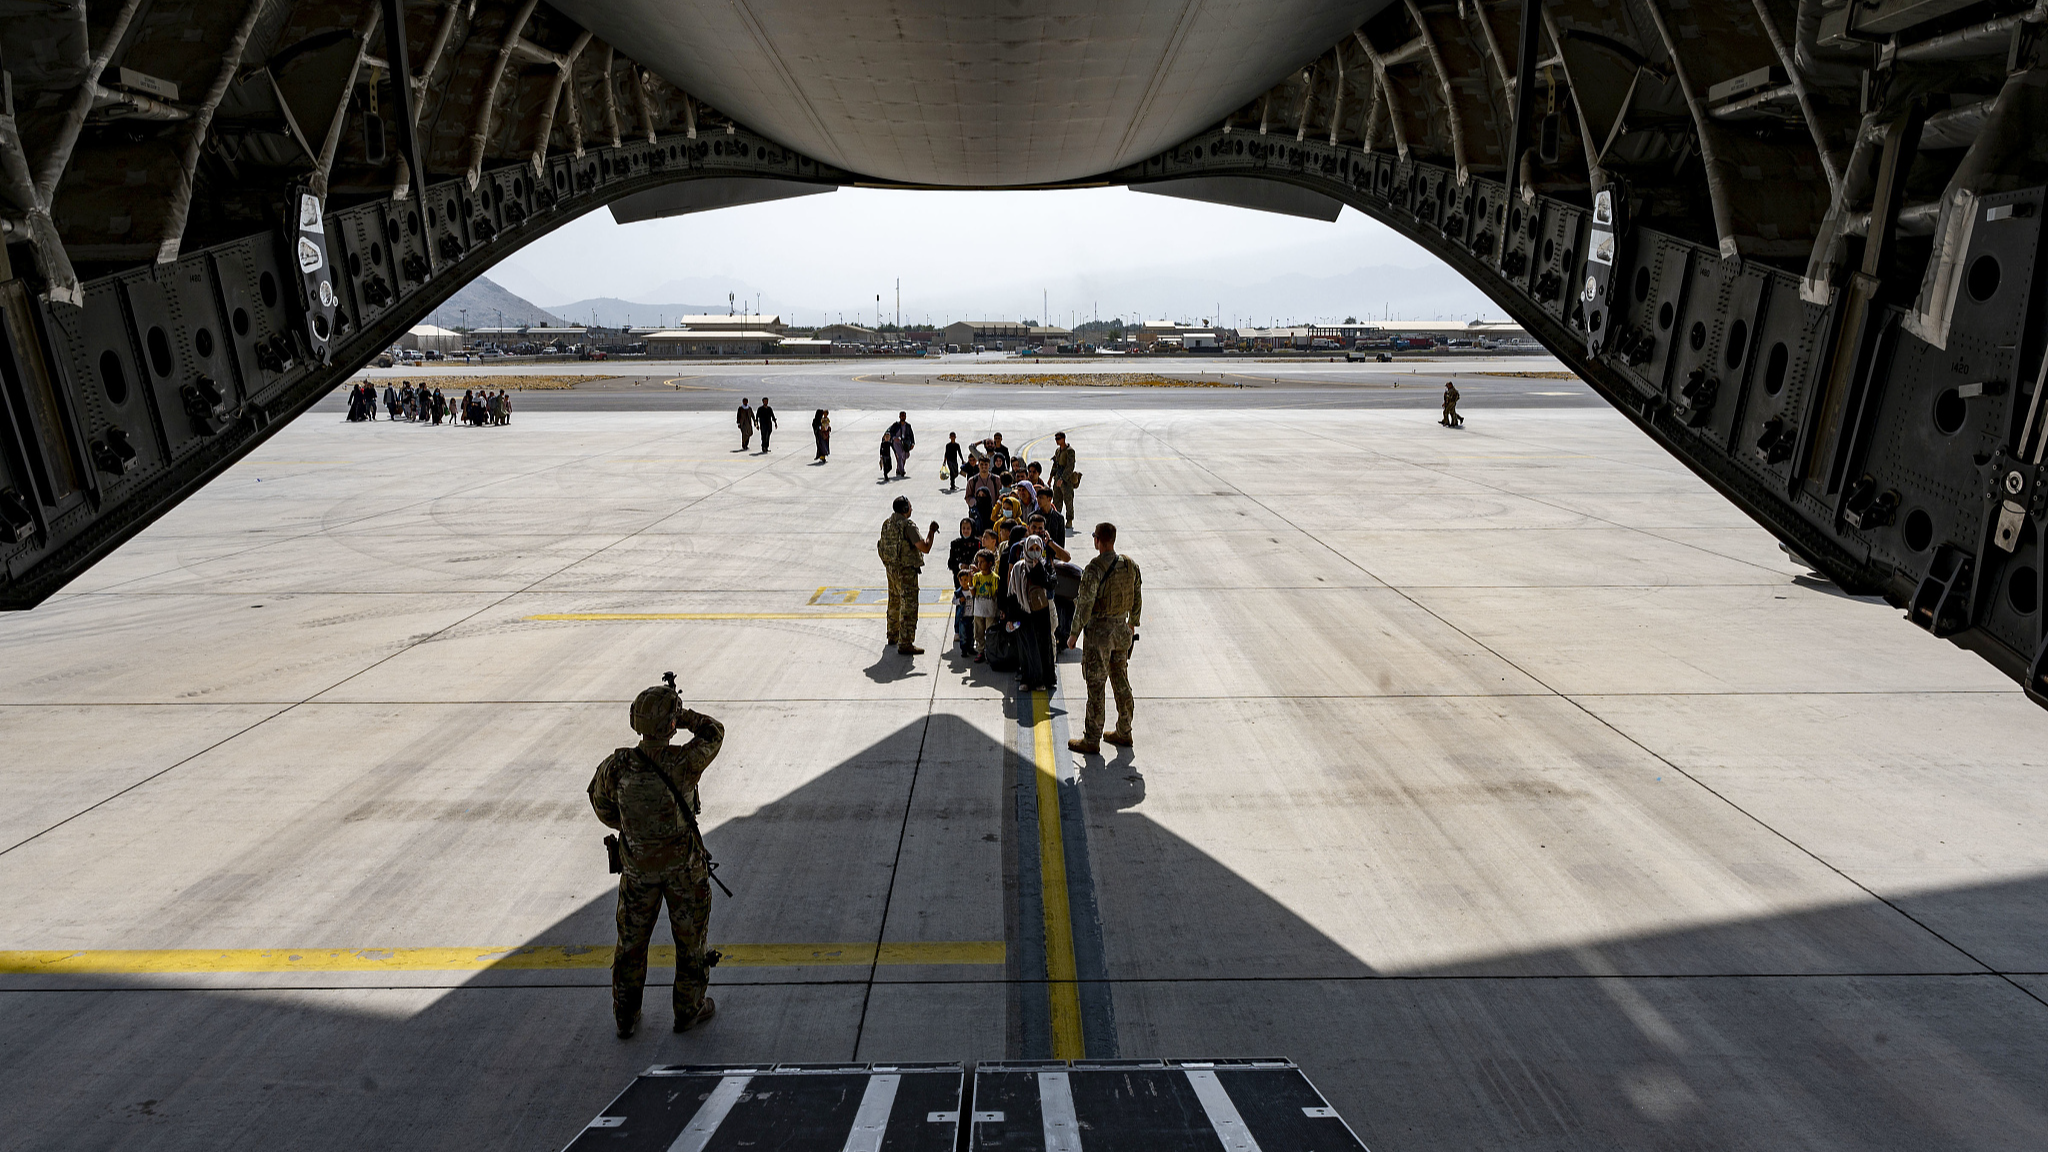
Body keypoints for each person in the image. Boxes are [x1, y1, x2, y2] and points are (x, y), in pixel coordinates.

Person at [587, 684, 726, 1038]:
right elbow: (714, 731)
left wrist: (631, 827)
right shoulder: (684, 762)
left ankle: (625, 1016)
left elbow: (599, 802)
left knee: (631, 944)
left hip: (638, 871)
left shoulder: (618, 765)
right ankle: (688, 1010)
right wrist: (685, 716)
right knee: (691, 942)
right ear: (670, 725)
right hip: (684, 871)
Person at [1068, 522, 1141, 754]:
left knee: (1096, 684)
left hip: (1100, 633)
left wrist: (1073, 634)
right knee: (1120, 679)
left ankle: (1092, 738)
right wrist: (1132, 623)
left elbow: (1085, 603)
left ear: (1097, 540)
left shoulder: (1095, 568)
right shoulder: (1130, 565)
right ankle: (1124, 730)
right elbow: (1137, 595)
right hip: (1121, 630)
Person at [877, 495, 939, 655]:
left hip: (891, 569)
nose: (911, 509)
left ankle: (893, 634)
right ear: (905, 510)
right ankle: (905, 642)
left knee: (894, 601)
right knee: (909, 606)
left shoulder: (887, 523)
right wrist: (931, 532)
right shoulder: (908, 526)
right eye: (910, 507)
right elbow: (924, 547)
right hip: (906, 571)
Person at [1006, 535, 1057, 691]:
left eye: (1037, 549)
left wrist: (1038, 569)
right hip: (1023, 613)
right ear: (1025, 550)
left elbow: (1050, 583)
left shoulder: (1045, 565)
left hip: (1041, 612)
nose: (1034, 552)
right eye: (1031, 549)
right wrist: (1010, 617)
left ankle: (1042, 680)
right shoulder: (1018, 568)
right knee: (1026, 647)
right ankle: (1027, 679)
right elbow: (1011, 592)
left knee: (1043, 646)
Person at [947, 518, 980, 655]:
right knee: (960, 604)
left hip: (973, 581)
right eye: (963, 528)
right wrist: (961, 566)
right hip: (960, 580)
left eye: (968, 528)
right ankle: (957, 631)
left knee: (973, 605)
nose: (965, 531)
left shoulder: (977, 543)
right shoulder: (955, 544)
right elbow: (950, 563)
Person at [968, 550, 999, 661]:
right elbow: (973, 593)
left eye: (982, 562)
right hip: (979, 610)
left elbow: (996, 594)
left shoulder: (995, 578)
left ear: (990, 563)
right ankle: (981, 651)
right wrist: (970, 582)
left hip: (990, 610)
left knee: (990, 632)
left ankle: (990, 652)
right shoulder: (977, 577)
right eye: (978, 562)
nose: (979, 564)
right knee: (979, 632)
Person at [1050, 432, 1077, 522]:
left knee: (1068, 500)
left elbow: (1070, 466)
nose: (1057, 441)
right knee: (1056, 499)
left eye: (1058, 439)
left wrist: (1062, 478)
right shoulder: (1058, 451)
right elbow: (1055, 465)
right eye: (1056, 439)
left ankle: (1069, 520)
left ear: (1063, 439)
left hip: (1066, 480)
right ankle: (1057, 519)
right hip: (1057, 477)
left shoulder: (1070, 451)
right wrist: (1051, 478)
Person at [887, 411, 915, 478]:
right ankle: (902, 471)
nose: (903, 417)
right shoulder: (896, 425)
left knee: (905, 456)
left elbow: (911, 435)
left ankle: (898, 469)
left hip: (905, 442)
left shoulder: (908, 426)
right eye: (901, 416)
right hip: (897, 442)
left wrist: (912, 443)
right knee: (899, 455)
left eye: (904, 416)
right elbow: (891, 432)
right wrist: (894, 438)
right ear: (899, 417)